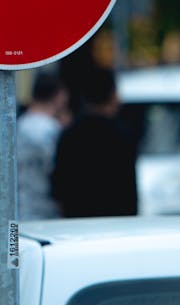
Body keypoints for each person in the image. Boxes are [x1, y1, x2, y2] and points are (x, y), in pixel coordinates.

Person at [51, 65, 138, 218]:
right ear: (113, 95)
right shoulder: (123, 135)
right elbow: (129, 190)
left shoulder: (70, 134)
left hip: (77, 222)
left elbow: (59, 185)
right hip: (115, 223)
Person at [17, 72, 69, 220]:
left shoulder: (19, 125)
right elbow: (58, 170)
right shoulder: (51, 130)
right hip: (48, 211)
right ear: (59, 96)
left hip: (22, 206)